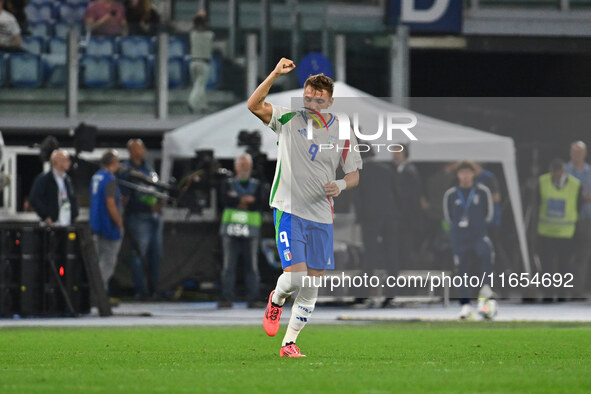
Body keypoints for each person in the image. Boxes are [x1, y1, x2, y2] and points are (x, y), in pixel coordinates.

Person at [248, 60, 362, 357]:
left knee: (312, 287)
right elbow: (253, 104)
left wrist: (342, 185)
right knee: (296, 279)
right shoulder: (287, 119)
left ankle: (289, 343)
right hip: (289, 210)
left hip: (322, 215)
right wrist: (273, 74)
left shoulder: (343, 130)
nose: (312, 102)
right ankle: (277, 298)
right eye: (308, 96)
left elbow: (354, 174)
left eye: (319, 98)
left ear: (330, 101)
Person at [443, 161, 495, 319]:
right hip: (460, 237)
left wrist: (478, 226)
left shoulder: (482, 191)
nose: (465, 176)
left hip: (478, 234)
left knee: (485, 255)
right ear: (458, 175)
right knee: (461, 270)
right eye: (462, 172)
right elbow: (448, 216)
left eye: (468, 172)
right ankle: (465, 305)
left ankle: (486, 296)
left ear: (473, 174)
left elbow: (489, 214)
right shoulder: (451, 194)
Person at [351, 145, 399, 308]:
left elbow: (357, 199)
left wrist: (360, 218)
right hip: (390, 217)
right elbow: (396, 193)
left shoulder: (359, 173)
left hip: (370, 219)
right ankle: (390, 295)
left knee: (369, 257)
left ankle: (363, 294)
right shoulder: (387, 170)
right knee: (391, 256)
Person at [218, 153, 264, 308]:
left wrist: (237, 200)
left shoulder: (258, 184)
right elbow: (224, 201)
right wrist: (243, 200)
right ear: (236, 167)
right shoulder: (227, 183)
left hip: (250, 229)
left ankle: (253, 298)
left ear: (250, 167)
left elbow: (261, 202)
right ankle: (226, 297)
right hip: (231, 229)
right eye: (241, 165)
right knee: (228, 265)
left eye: (246, 165)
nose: (243, 167)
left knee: (252, 265)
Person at [120, 139, 163, 300]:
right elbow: (125, 195)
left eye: (143, 147)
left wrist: (159, 202)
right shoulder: (127, 170)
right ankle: (141, 291)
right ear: (131, 151)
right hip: (138, 217)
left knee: (156, 255)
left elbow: (156, 188)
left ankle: (154, 290)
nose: (143, 150)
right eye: (139, 148)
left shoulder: (149, 168)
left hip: (155, 217)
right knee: (138, 255)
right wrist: (144, 205)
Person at [536, 158, 582, 302]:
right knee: (547, 265)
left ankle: (562, 293)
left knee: (565, 265)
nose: (555, 175)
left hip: (566, 232)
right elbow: (537, 202)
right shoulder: (542, 181)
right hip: (546, 231)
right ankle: (548, 293)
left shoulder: (575, 184)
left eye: (558, 172)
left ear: (563, 171)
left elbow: (578, 205)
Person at [90, 150, 123, 292]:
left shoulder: (96, 177)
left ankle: (97, 291)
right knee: (108, 261)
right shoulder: (110, 179)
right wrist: (119, 223)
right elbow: (110, 204)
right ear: (113, 163)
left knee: (98, 260)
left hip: (96, 223)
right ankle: (99, 292)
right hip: (108, 225)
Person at [392, 144, 424, 269]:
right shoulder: (401, 170)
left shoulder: (409, 172)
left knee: (406, 250)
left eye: (398, 153)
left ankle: (408, 285)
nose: (395, 155)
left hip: (407, 219)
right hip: (404, 219)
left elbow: (411, 198)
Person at [566, 141, 591, 300]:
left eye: (580, 152)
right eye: (574, 152)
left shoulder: (589, 172)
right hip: (566, 219)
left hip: (585, 218)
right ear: (570, 153)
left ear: (585, 154)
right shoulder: (565, 171)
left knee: (583, 255)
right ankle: (562, 289)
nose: (577, 155)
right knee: (566, 255)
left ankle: (578, 290)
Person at [29, 149, 79, 227]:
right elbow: (34, 199)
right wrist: (46, 216)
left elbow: (72, 198)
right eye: (66, 160)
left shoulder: (67, 179)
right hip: (52, 223)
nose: (69, 162)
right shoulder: (44, 179)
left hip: (67, 222)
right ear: (58, 162)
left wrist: (74, 214)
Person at [187, 11, 214, 114]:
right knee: (200, 85)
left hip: (193, 62)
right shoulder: (210, 35)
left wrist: (198, 17)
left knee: (198, 85)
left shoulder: (192, 34)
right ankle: (192, 102)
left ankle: (203, 105)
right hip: (203, 62)